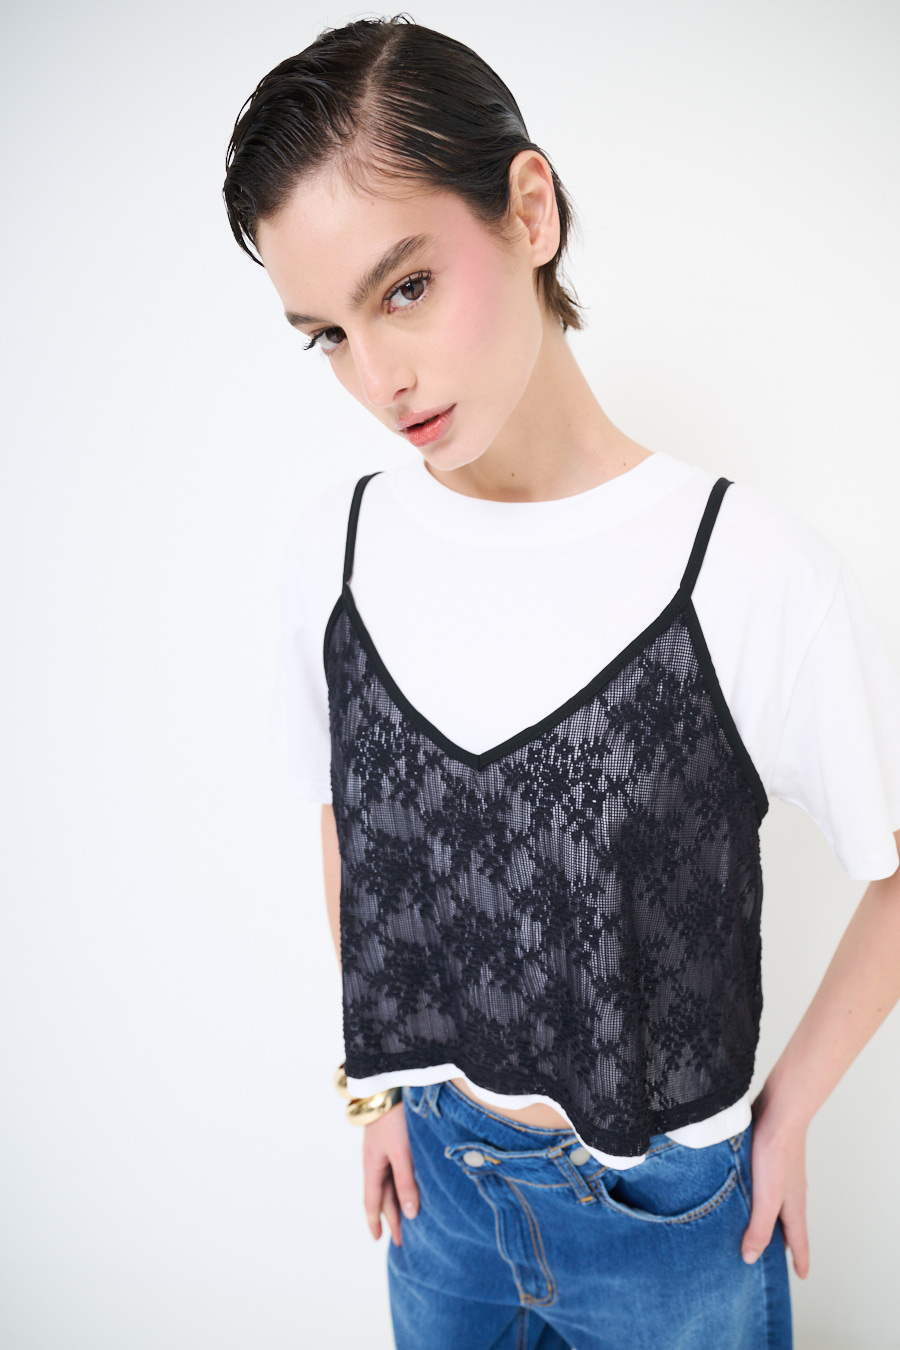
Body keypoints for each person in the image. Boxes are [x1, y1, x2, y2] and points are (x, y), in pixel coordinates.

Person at [222, 15, 900, 1349]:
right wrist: (377, 1091)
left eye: (405, 286)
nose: (379, 377)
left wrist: (784, 1117)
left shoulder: (741, 567)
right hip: (438, 1200)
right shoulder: (337, 556)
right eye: (328, 335)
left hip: (670, 1227)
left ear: (529, 209)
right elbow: (344, 825)